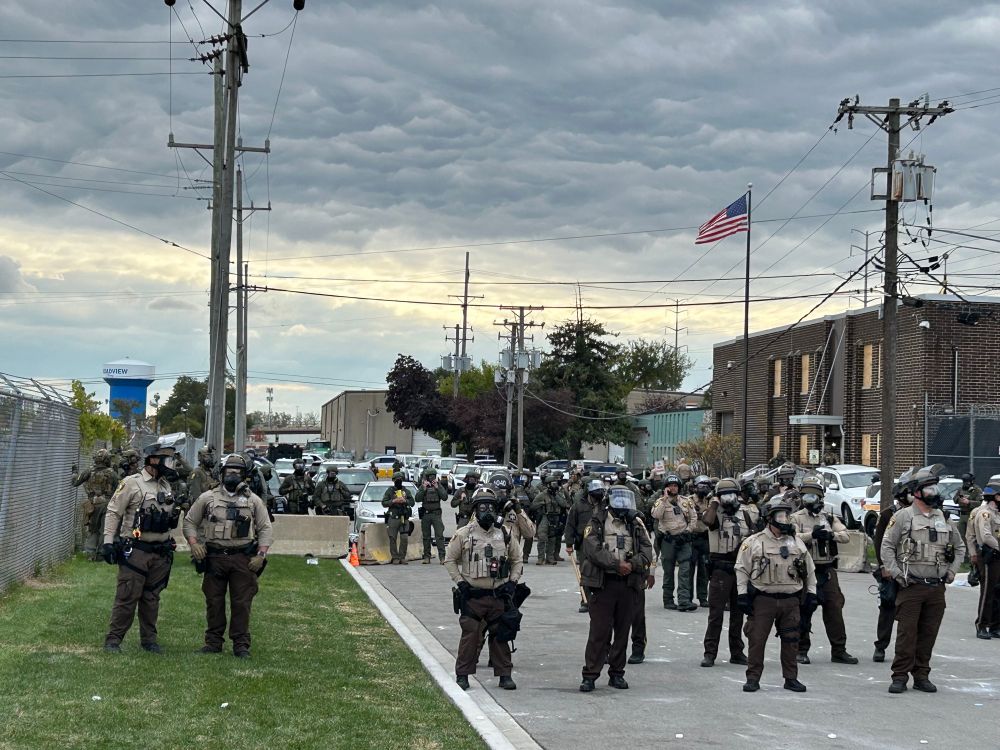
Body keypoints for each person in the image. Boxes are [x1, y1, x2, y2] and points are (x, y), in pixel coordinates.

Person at [880, 464, 965, 693]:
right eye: (929, 489)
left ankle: (921, 675)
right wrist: (897, 574)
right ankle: (899, 676)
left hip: (936, 588)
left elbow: (959, 547)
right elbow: (887, 546)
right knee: (907, 634)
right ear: (917, 492)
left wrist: (952, 571)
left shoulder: (944, 518)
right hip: (911, 585)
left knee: (928, 633)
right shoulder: (903, 516)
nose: (934, 493)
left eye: (935, 488)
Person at [184, 453, 273, 658]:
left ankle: (241, 644)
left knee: (242, 602)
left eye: (238, 472)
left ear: (244, 475)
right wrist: (194, 544)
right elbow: (189, 522)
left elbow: (265, 528)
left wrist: (261, 554)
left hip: (243, 558)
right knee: (214, 601)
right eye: (229, 471)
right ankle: (213, 642)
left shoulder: (253, 500)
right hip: (215, 557)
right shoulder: (207, 497)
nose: (233, 475)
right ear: (221, 473)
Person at [101, 444, 183, 653]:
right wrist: (108, 541)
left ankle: (149, 640)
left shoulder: (165, 486)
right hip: (136, 551)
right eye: (167, 459)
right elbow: (113, 512)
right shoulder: (132, 483)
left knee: (152, 598)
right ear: (153, 460)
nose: (171, 464)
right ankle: (113, 640)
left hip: (160, 551)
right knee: (127, 596)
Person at [444, 492, 523, 691]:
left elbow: (517, 559)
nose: (486, 511)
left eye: (490, 507)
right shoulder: (464, 534)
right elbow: (449, 560)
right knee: (470, 636)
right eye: (482, 507)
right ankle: (463, 675)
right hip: (473, 596)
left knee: (501, 636)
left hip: (498, 596)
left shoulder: (504, 533)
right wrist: (460, 582)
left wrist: (513, 582)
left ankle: (504, 675)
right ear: (475, 510)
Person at [735, 497, 816, 692]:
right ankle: (753, 678)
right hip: (764, 600)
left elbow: (809, 569)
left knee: (791, 641)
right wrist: (742, 595)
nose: (785, 519)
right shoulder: (754, 542)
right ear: (769, 519)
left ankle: (791, 678)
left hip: (790, 600)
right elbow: (741, 569)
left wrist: (812, 593)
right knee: (757, 640)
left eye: (787, 516)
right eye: (780, 516)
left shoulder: (796, 543)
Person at [578, 486, 653, 692]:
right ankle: (590, 675)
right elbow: (592, 549)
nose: (622, 505)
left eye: (625, 501)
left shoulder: (635, 523)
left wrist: (633, 564)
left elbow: (647, 550)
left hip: (628, 584)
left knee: (622, 631)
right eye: (618, 500)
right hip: (604, 583)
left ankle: (617, 673)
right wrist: (615, 564)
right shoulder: (597, 521)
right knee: (599, 632)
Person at [790, 475, 857, 665]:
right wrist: (811, 535)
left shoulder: (828, 516)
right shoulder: (795, 517)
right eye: (806, 496)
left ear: (820, 498)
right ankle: (801, 650)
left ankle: (839, 650)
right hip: (805, 570)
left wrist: (830, 534)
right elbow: (792, 538)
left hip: (826, 570)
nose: (809, 500)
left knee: (834, 608)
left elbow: (845, 536)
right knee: (805, 609)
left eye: (814, 496)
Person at [700, 477, 758, 668]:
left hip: (741, 569)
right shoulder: (715, 513)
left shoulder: (746, 514)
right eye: (724, 495)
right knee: (716, 614)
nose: (728, 498)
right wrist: (714, 503)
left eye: (731, 494)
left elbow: (754, 537)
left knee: (738, 613)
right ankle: (710, 653)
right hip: (720, 569)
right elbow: (707, 522)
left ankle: (737, 652)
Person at [872, 468, 916, 662]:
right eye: (909, 492)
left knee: (911, 609)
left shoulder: (918, 514)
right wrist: (884, 567)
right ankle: (881, 646)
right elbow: (880, 542)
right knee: (888, 605)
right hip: (891, 566)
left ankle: (908, 649)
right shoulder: (888, 514)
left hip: (912, 567)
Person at [651, 473, 697, 611]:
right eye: (670, 485)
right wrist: (665, 499)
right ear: (666, 487)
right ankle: (668, 600)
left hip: (683, 540)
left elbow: (694, 517)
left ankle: (683, 600)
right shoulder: (660, 501)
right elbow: (656, 515)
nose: (673, 488)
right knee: (668, 571)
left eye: (675, 485)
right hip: (668, 540)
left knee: (685, 570)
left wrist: (688, 531)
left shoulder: (685, 501)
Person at [71, 448, 119, 561]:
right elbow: (118, 489)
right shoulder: (112, 473)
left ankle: (90, 553)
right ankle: (101, 555)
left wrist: (74, 472)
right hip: (108, 505)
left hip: (92, 505)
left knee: (93, 529)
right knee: (104, 529)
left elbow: (75, 482)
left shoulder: (88, 471)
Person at [968, 484, 1000, 639]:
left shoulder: (997, 513)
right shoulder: (984, 514)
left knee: (998, 592)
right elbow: (985, 536)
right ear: (996, 497)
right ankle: (982, 625)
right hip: (989, 556)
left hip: (997, 556)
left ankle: (995, 625)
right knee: (987, 592)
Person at [564, 480, 600, 613]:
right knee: (585, 571)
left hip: (600, 544)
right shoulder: (578, 506)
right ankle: (585, 600)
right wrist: (569, 543)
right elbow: (570, 525)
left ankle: (599, 599)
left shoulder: (604, 506)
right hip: (583, 544)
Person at [531, 473, 569, 566]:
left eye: (556, 483)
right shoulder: (542, 495)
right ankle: (541, 558)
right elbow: (533, 506)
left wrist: (555, 495)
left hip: (555, 517)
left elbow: (564, 504)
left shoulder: (559, 494)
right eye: (553, 484)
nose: (555, 485)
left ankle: (550, 557)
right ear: (548, 485)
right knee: (542, 537)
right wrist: (542, 503)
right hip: (545, 517)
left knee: (552, 538)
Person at [688, 475, 713, 608]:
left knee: (704, 570)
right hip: (692, 538)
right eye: (701, 485)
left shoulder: (711, 502)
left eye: (706, 486)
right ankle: (688, 597)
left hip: (705, 537)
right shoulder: (689, 501)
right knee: (689, 569)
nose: (704, 488)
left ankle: (703, 597)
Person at [416, 467, 449, 564]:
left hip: (436, 514)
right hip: (426, 514)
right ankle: (427, 556)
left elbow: (445, 497)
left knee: (439, 536)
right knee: (426, 537)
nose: (431, 478)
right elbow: (417, 499)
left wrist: (438, 488)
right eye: (429, 476)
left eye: (433, 476)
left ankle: (442, 557)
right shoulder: (423, 486)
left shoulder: (438, 486)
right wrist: (423, 489)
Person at [382, 471, 415, 564]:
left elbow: (412, 502)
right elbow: (384, 502)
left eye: (400, 479)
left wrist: (405, 500)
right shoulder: (390, 491)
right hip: (393, 517)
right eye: (397, 480)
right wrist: (394, 501)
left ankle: (402, 556)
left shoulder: (406, 491)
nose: (398, 481)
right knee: (392, 538)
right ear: (393, 480)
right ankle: (395, 557)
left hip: (404, 518)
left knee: (404, 537)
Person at [956, 472, 984, 560]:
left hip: (971, 515)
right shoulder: (961, 489)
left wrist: (969, 502)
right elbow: (955, 499)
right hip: (962, 515)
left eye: (967, 482)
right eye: (964, 482)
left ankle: (973, 554)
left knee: (971, 536)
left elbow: (980, 503)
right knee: (961, 535)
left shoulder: (977, 490)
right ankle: (964, 556)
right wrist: (960, 499)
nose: (965, 484)